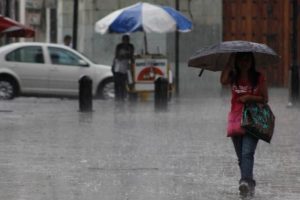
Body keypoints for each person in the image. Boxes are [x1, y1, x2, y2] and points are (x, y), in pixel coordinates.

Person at [220, 52, 268, 197]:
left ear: (251, 61)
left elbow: (265, 99)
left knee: (247, 153)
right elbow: (222, 81)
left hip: (253, 119)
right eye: (241, 59)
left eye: (247, 59)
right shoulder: (233, 76)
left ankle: (244, 181)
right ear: (237, 61)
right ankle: (250, 183)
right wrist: (229, 62)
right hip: (235, 119)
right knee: (241, 156)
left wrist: (249, 97)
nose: (244, 62)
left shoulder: (258, 77)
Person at [112, 35, 134, 101]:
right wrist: (124, 55)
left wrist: (125, 55)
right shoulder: (119, 46)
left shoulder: (130, 46)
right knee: (117, 83)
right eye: (124, 40)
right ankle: (118, 97)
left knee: (126, 82)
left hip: (126, 67)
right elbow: (117, 55)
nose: (126, 41)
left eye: (127, 40)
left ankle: (124, 96)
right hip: (118, 67)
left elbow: (131, 55)